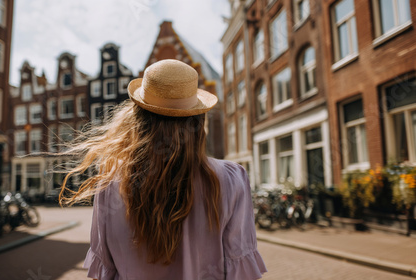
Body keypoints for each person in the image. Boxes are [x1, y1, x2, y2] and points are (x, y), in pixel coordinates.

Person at [59, 59, 267, 280]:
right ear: (198, 122)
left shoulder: (109, 184)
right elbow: (241, 274)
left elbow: (103, 274)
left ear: (137, 119)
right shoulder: (231, 179)